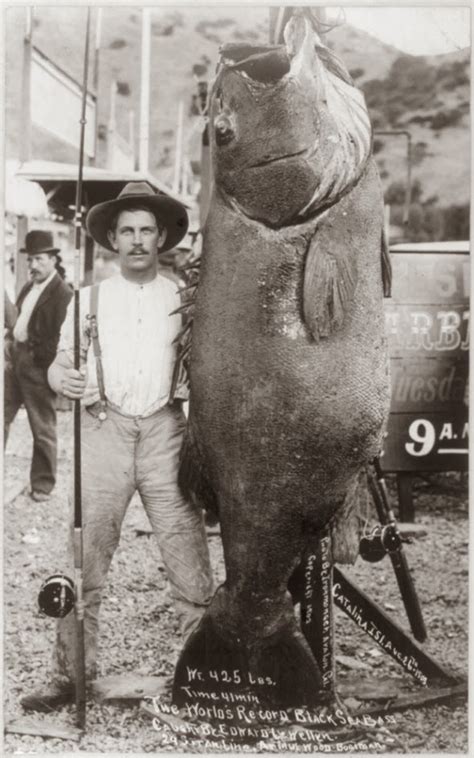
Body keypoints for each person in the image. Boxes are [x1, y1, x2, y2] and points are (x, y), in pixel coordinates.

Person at [21, 182, 214, 712]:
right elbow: (59, 364)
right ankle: (70, 676)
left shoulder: (182, 295)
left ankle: (205, 674)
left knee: (187, 555)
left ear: (161, 238)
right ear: (111, 238)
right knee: (86, 557)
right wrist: (66, 380)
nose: (136, 240)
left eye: (146, 230)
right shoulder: (88, 298)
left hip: (164, 433)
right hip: (102, 431)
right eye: (126, 230)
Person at [4, 230, 72, 502]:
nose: (33, 265)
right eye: (30, 259)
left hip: (39, 368)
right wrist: (10, 343)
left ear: (53, 259)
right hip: (14, 364)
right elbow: (18, 321)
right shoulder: (28, 287)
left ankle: (43, 485)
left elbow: (62, 337)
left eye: (39, 259)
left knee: (42, 427)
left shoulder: (62, 293)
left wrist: (39, 360)